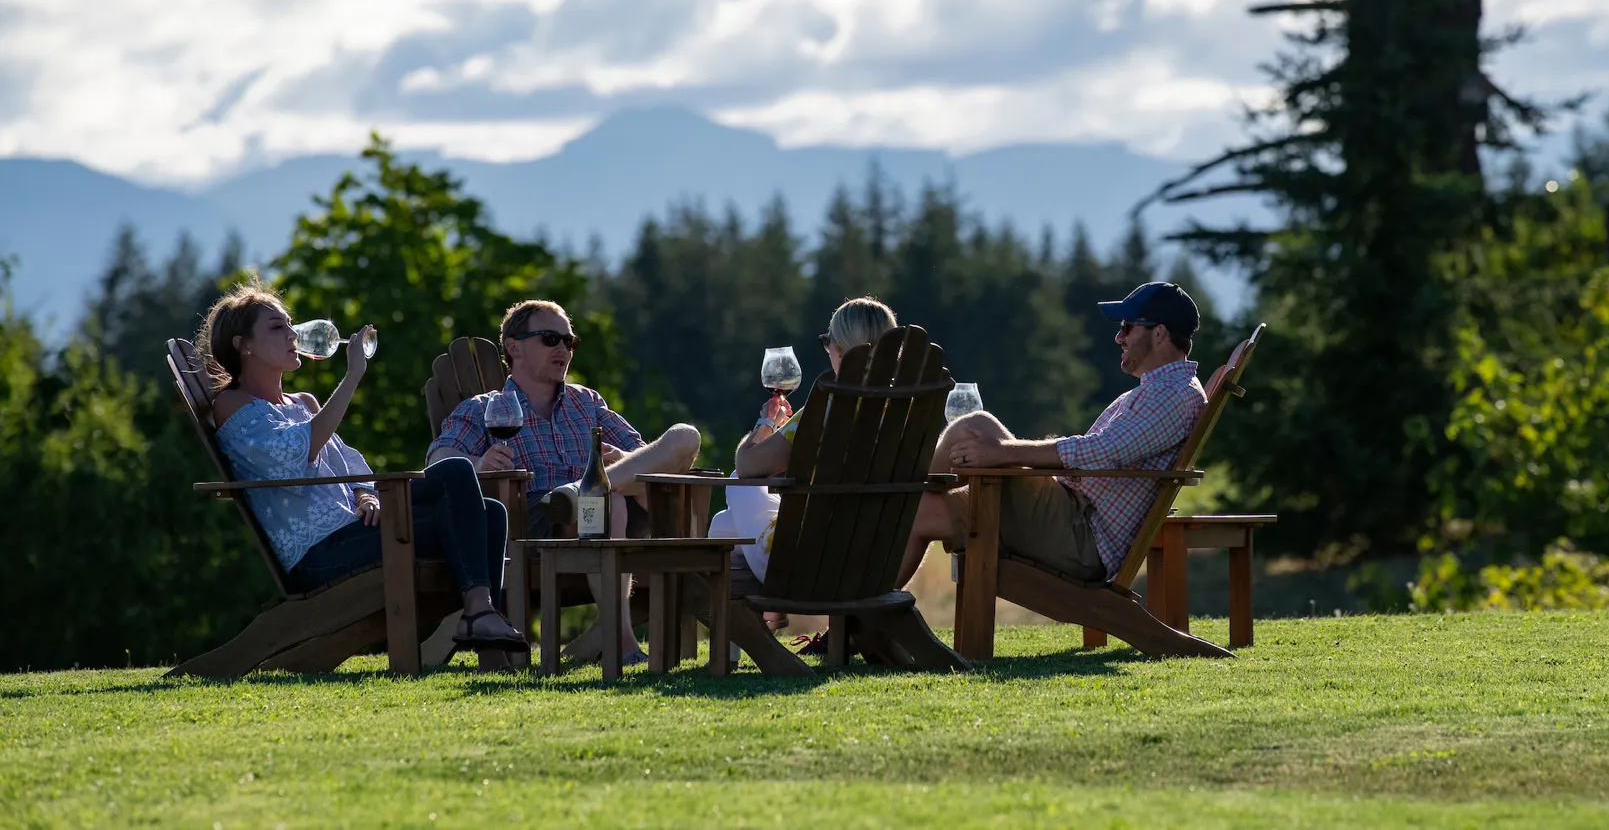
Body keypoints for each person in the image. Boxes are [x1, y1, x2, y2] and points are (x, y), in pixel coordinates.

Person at [201, 281, 529, 667]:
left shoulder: (303, 402)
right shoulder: (232, 404)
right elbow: (296, 453)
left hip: (356, 528)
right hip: (320, 552)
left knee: (488, 510)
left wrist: (365, 494)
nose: (293, 335)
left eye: (291, 324)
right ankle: (479, 616)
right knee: (461, 481)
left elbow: (350, 463)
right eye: (277, 328)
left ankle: (482, 624)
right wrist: (352, 375)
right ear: (244, 345)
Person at [428, 298, 700, 665]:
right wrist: (478, 462)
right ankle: (622, 644)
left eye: (569, 342)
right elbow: (438, 460)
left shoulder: (587, 402)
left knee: (685, 437)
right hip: (537, 517)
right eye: (550, 339)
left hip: (613, 510)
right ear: (513, 346)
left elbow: (648, 454)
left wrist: (622, 462)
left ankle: (585, 490)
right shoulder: (483, 408)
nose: (563, 350)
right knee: (604, 503)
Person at [897, 281, 1207, 587]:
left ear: (1159, 332)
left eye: (1126, 328)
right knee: (973, 425)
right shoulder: (1161, 392)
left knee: (913, 513)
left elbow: (1104, 451)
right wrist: (1006, 452)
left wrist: (1004, 453)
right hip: (1069, 515)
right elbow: (1101, 452)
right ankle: (893, 501)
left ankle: (871, 603)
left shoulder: (1173, 396)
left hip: (1080, 535)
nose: (1118, 338)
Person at [720, 296, 899, 585]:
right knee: (723, 525)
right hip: (875, 558)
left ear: (839, 349)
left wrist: (765, 425)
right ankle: (756, 622)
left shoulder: (827, 408)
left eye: (828, 341)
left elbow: (748, 466)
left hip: (800, 560)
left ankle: (742, 616)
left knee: (736, 481)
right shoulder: (908, 407)